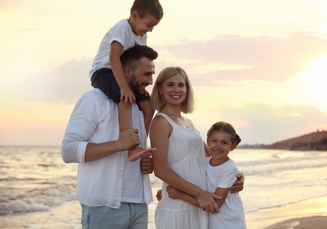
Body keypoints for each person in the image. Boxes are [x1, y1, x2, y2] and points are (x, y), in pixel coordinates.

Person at [62, 45, 158, 229]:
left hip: (139, 205)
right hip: (103, 207)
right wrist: (118, 145)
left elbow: (135, 152)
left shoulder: (139, 108)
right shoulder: (94, 100)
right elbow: (68, 150)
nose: (150, 81)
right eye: (146, 74)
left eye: (152, 75)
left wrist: (145, 163)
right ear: (127, 71)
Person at [149, 67, 244, 229]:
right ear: (160, 89)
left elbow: (213, 159)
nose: (176, 90)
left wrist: (237, 176)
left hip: (198, 204)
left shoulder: (188, 123)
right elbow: (160, 170)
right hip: (179, 205)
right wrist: (200, 194)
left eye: (181, 85)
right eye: (170, 85)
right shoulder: (161, 122)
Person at [89, 0, 163, 161]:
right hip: (103, 72)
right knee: (125, 100)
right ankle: (131, 148)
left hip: (123, 74)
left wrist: (141, 88)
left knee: (148, 105)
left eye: (154, 27)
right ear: (135, 16)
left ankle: (141, 145)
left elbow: (139, 63)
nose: (150, 29)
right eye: (149, 24)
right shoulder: (123, 27)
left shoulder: (142, 36)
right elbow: (113, 57)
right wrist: (124, 88)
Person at [166, 121, 247, 229]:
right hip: (212, 222)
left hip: (230, 222)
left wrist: (180, 195)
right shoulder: (203, 162)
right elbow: (191, 180)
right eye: (214, 141)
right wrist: (165, 191)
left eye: (224, 143)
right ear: (207, 141)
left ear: (233, 146)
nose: (218, 146)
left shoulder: (229, 168)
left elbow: (215, 205)